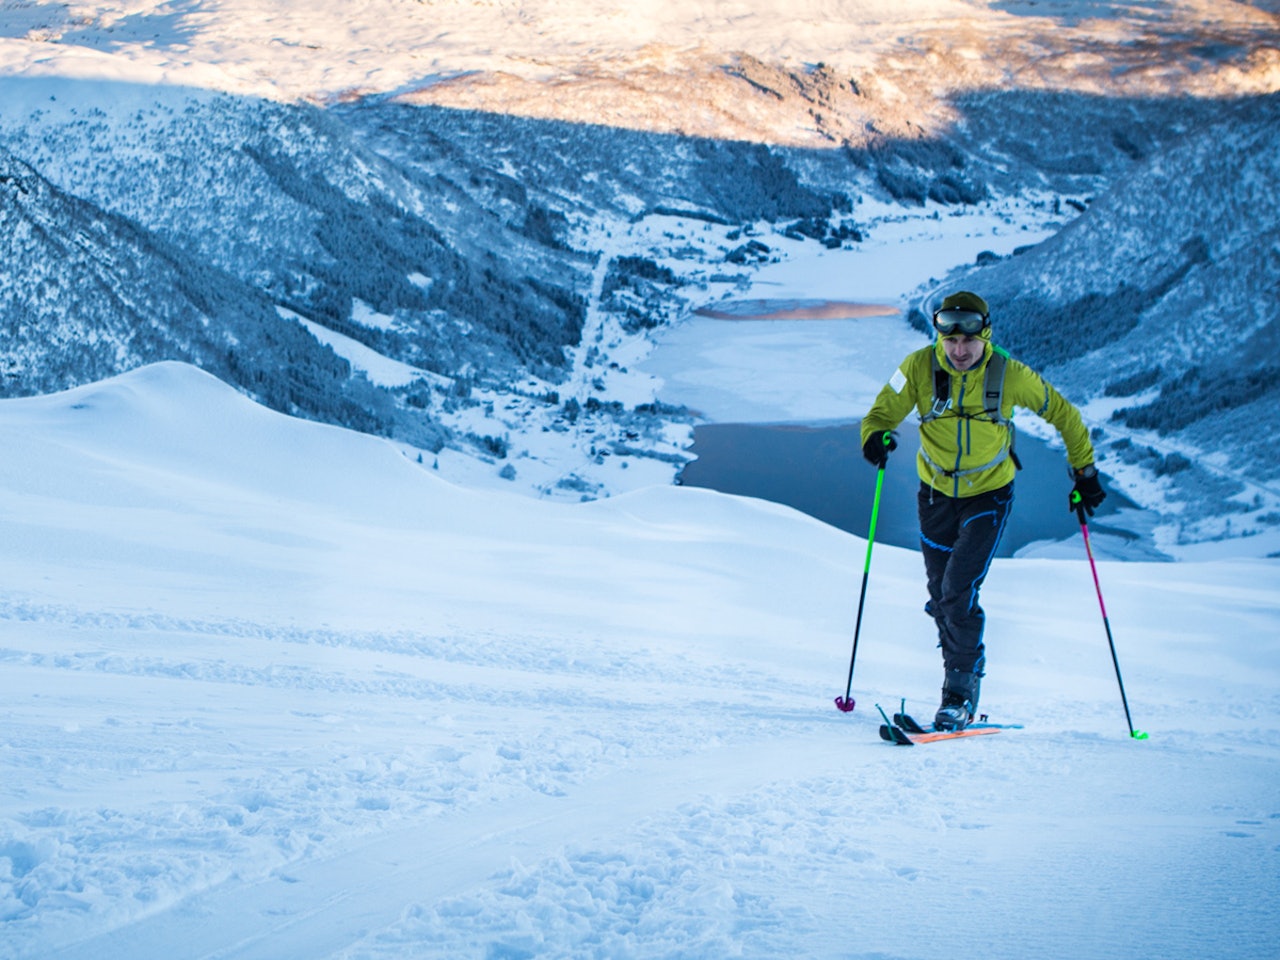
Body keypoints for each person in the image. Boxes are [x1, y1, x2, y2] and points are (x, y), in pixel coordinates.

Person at [859, 291, 1105, 730]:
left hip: (989, 495)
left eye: (967, 342)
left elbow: (1065, 414)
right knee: (942, 595)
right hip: (934, 495)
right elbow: (881, 413)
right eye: (949, 341)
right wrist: (874, 437)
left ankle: (959, 694)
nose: (958, 351)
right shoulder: (917, 368)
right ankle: (962, 667)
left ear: (984, 333)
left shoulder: (1010, 375)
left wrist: (1084, 474)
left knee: (956, 591)